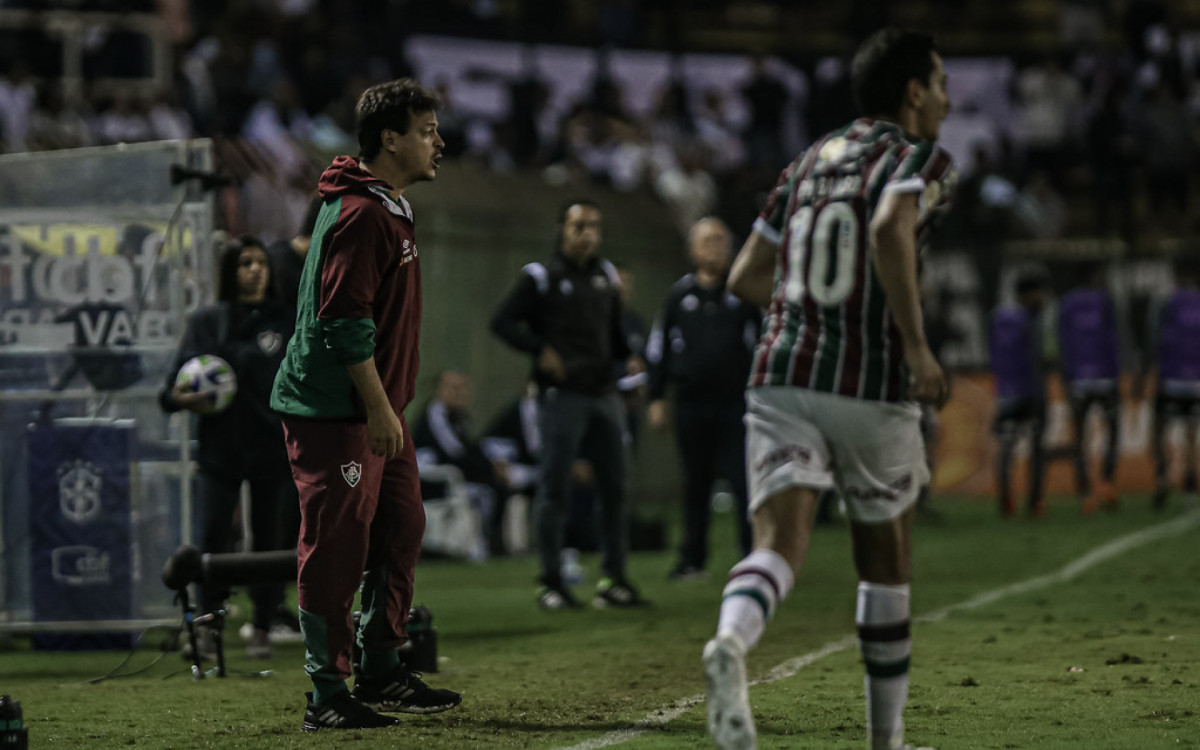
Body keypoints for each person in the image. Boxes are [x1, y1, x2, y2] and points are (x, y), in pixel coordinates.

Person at [702, 29, 954, 750]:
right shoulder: (917, 157)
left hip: (780, 372)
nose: (946, 97)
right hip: (869, 384)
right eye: (938, 82)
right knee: (886, 561)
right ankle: (887, 740)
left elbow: (747, 276)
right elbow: (888, 227)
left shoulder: (807, 160)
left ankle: (730, 643)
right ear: (912, 92)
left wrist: (804, 316)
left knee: (778, 544)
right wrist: (914, 344)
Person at [268, 78, 461, 732]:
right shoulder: (360, 214)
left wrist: (388, 407)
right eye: (428, 131)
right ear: (391, 138)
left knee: (402, 526)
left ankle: (381, 663)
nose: (440, 142)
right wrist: (379, 410)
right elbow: (343, 323)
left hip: (380, 409)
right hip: (337, 413)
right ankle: (326, 692)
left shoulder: (388, 204)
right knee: (336, 545)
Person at [491, 199, 647, 610]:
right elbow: (502, 322)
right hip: (562, 397)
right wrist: (539, 349)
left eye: (593, 226)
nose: (587, 234)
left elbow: (613, 337)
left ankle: (613, 578)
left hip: (604, 394)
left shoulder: (606, 276)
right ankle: (552, 582)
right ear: (562, 229)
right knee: (554, 488)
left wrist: (627, 360)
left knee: (615, 487)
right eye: (579, 226)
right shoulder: (540, 276)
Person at [160, 236, 295, 660]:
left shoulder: (286, 320)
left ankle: (262, 623)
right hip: (221, 450)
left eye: (261, 263)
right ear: (229, 272)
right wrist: (184, 398)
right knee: (213, 538)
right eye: (245, 263)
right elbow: (171, 391)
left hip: (272, 447)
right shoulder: (208, 322)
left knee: (269, 540)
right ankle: (207, 627)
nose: (256, 269)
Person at [647, 217, 760, 580]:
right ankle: (692, 558)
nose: (715, 248)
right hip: (691, 403)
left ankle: (752, 556)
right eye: (708, 241)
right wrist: (657, 397)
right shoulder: (679, 296)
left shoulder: (743, 293)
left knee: (743, 482)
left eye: (722, 241)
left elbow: (761, 345)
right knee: (695, 483)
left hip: (734, 404)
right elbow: (660, 348)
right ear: (692, 250)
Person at [412, 370, 510, 556]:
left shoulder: (458, 418)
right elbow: (454, 452)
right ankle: (485, 544)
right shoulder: (435, 416)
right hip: (434, 482)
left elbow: (470, 448)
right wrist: (489, 467)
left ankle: (490, 542)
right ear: (440, 390)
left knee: (498, 485)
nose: (459, 393)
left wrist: (492, 463)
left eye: (463, 388)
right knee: (491, 488)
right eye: (453, 388)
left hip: (454, 476)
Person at [1057, 263, 1122, 513]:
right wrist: (1117, 376)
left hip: (1078, 381)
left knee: (1080, 436)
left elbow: (1062, 344)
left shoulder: (1066, 304)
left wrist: (1066, 380)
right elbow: (1114, 339)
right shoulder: (1106, 301)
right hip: (1105, 379)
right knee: (1113, 431)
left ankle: (1085, 491)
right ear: (1092, 277)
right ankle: (1106, 482)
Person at [990, 273, 1051, 517]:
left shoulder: (997, 317)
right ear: (1027, 294)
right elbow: (1039, 356)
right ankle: (1035, 501)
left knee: (1006, 447)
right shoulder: (1030, 319)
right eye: (1038, 293)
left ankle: (1006, 500)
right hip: (1031, 393)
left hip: (1005, 392)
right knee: (1036, 448)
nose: (1042, 298)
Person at [1147, 259, 1200, 509]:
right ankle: (1189, 488)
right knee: (1191, 433)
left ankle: (1162, 478)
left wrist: (1146, 371)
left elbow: (1153, 337)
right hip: (1195, 380)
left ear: (1175, 277)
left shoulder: (1165, 302)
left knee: (1159, 429)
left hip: (1169, 378)